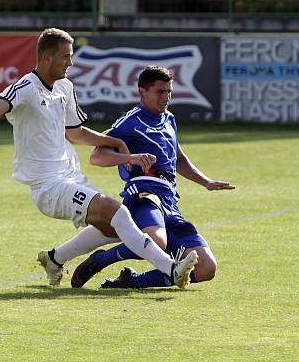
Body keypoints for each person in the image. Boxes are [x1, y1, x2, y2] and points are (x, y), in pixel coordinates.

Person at [0, 28, 198, 289]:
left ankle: (55, 259)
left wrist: (115, 142)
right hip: (48, 186)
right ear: (46, 58)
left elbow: (75, 133)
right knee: (117, 212)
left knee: (115, 228)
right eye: (65, 57)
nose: (70, 62)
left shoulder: (65, 87)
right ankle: (171, 268)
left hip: (71, 177)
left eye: (71, 56)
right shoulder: (26, 87)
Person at [69, 65, 235, 290]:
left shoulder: (169, 119)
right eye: (160, 92)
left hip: (170, 203)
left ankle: (131, 282)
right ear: (142, 92)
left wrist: (205, 181)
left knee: (206, 268)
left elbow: (179, 158)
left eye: (169, 92)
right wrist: (133, 157)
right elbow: (97, 157)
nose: (166, 97)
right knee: (156, 241)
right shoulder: (130, 122)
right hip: (143, 196)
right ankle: (100, 260)